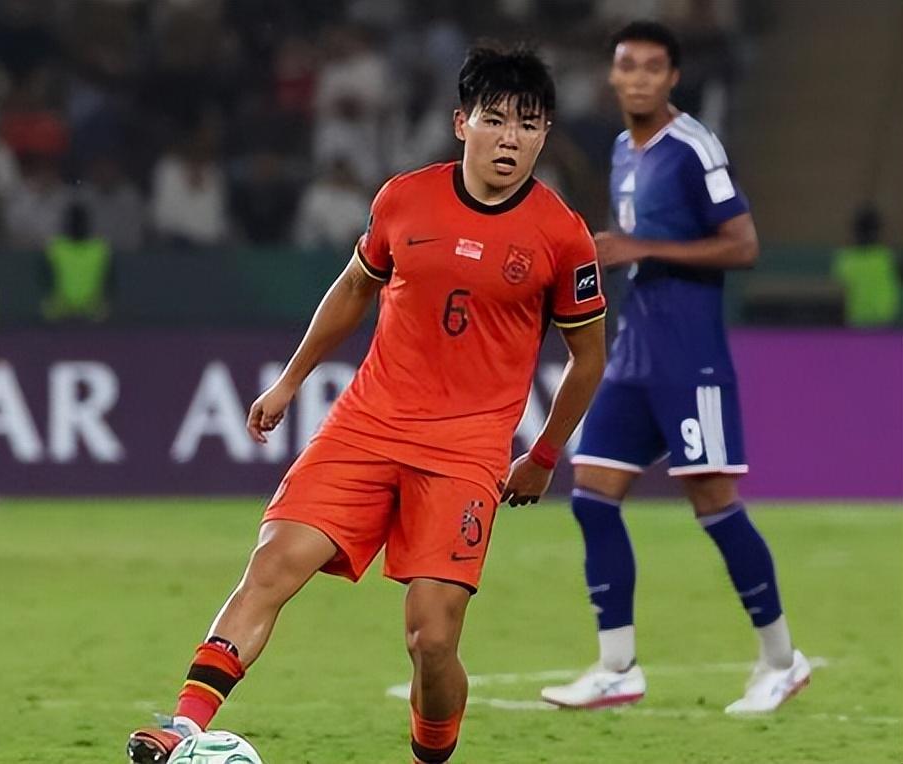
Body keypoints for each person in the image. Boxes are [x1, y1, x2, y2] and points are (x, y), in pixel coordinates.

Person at [126, 43, 608, 763]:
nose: (510, 138)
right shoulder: (403, 199)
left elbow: (589, 356)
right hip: (368, 424)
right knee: (272, 563)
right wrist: (291, 380)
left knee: (431, 637)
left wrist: (542, 455)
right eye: (495, 119)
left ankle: (430, 752)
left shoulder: (562, 235)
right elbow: (355, 286)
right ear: (462, 123)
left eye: (529, 125)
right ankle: (185, 726)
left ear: (545, 136)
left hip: (465, 450)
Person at [540, 21, 810, 714]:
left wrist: (642, 249)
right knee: (592, 493)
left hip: (690, 357)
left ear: (672, 78)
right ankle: (617, 667)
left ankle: (782, 661)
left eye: (651, 67)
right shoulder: (621, 150)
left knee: (713, 501)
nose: (637, 78)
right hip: (635, 352)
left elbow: (743, 246)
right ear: (612, 75)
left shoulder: (694, 147)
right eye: (626, 65)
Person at [832, 204, 901, 327]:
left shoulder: (845, 259)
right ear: (879, 231)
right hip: (877, 322)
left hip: (863, 322)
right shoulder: (887, 257)